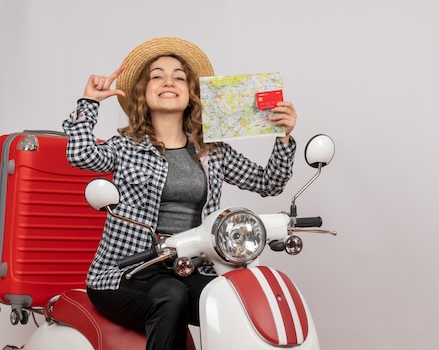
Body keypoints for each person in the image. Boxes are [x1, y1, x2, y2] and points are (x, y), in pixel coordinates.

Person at [62, 37, 297, 349]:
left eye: (179, 77)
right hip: (128, 273)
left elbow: (269, 182)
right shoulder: (126, 148)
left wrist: (282, 137)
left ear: (192, 95)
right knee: (171, 296)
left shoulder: (212, 152)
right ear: (143, 93)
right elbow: (80, 155)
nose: (168, 81)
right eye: (157, 75)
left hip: (189, 267)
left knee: (235, 297)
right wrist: (89, 102)